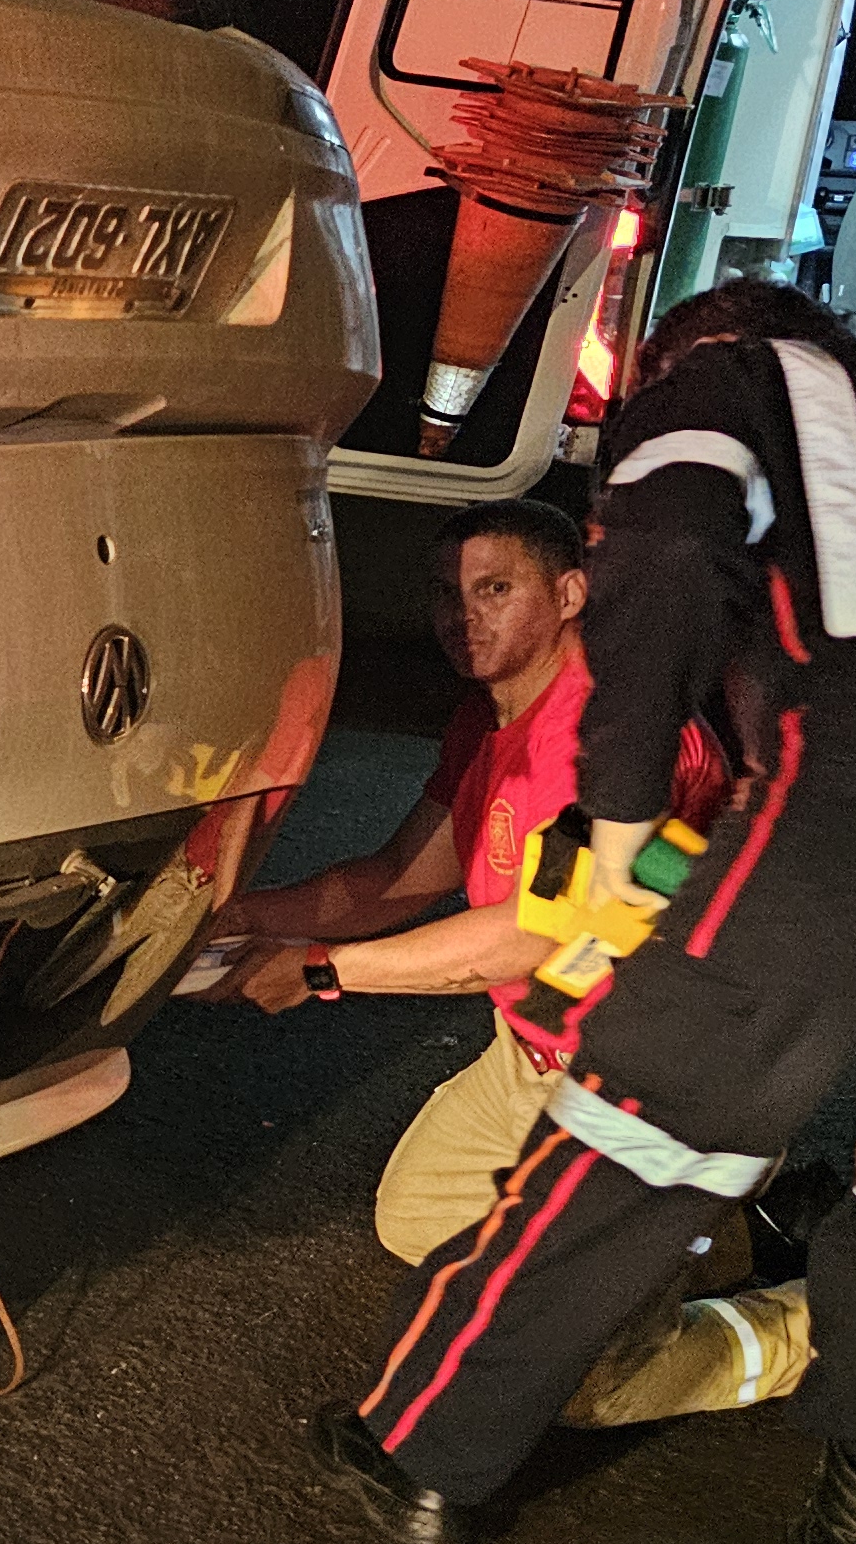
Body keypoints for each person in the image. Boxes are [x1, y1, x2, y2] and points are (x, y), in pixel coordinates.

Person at [308, 285, 856, 1544]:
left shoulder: (734, 379)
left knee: (633, 1132)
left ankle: (425, 1454)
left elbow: (663, 555)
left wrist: (624, 811)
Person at [215, 500, 795, 1425]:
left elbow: (531, 936)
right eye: (447, 594)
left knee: (580, 1384)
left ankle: (824, 1320)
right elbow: (397, 879)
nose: (462, 617)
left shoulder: (619, 746)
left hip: (664, 1079)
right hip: (535, 1056)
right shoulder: (488, 719)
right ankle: (688, 1227)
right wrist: (226, 914)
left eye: (494, 589)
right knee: (412, 1222)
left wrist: (322, 971)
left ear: (571, 593)